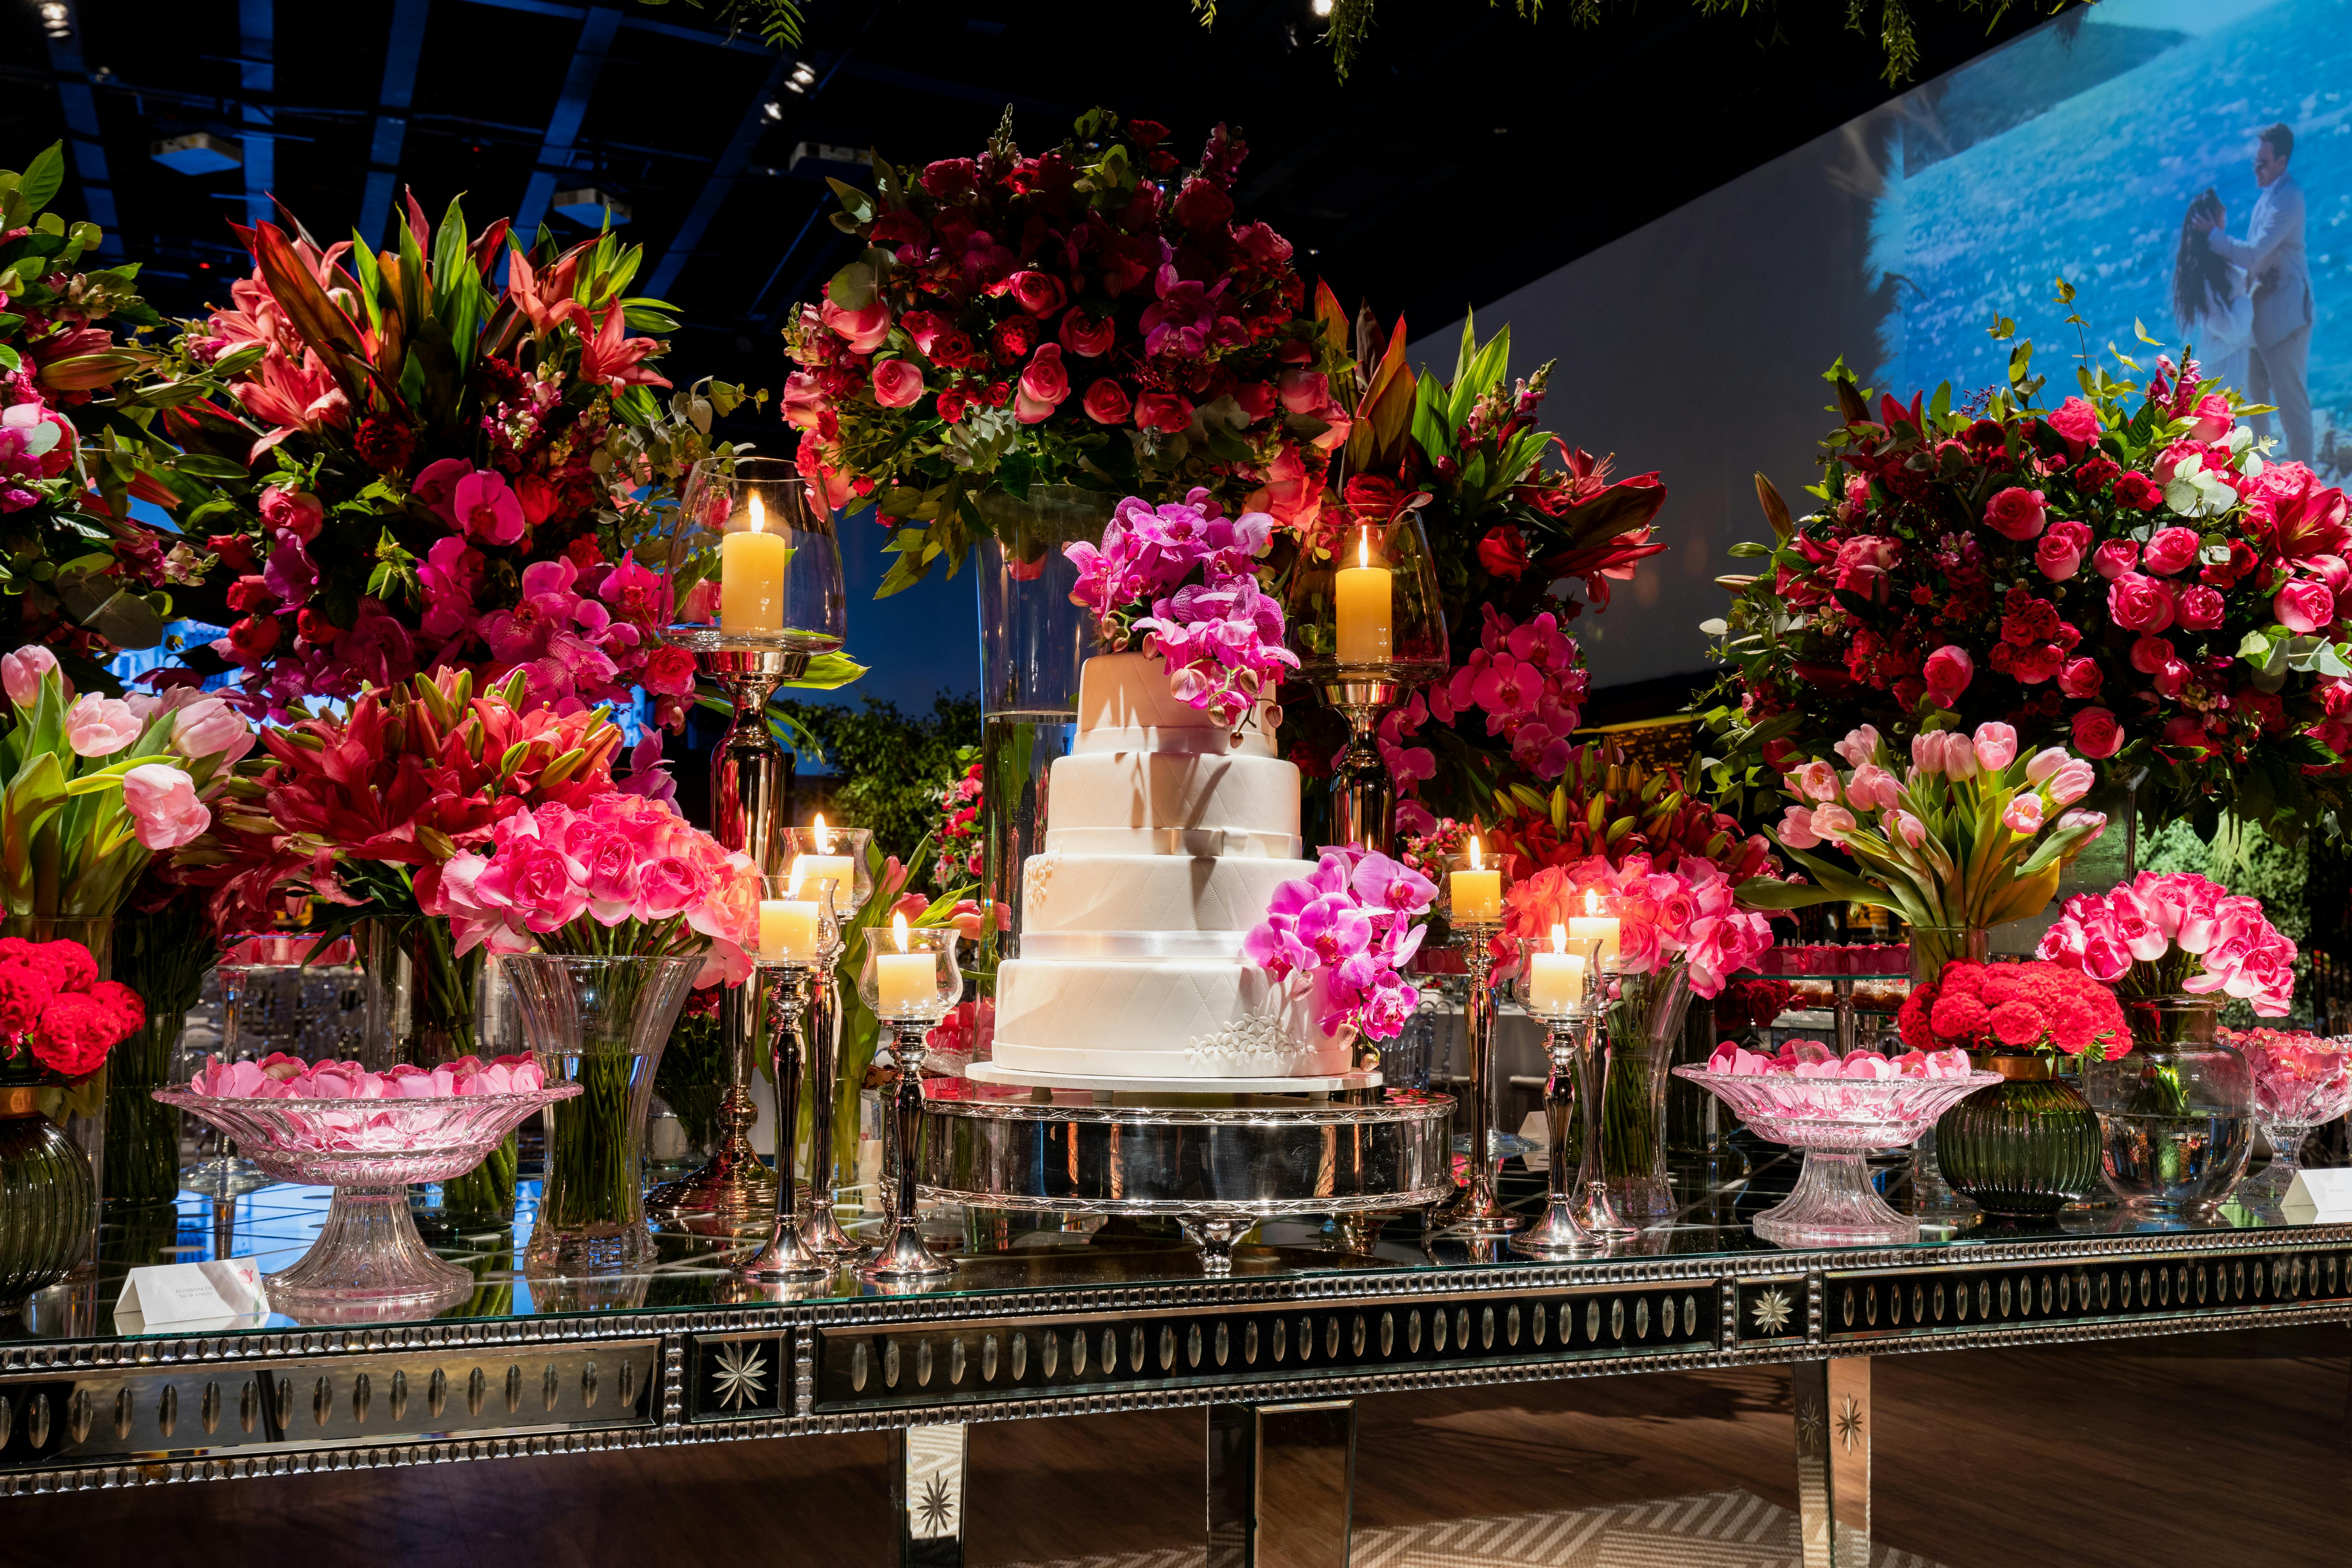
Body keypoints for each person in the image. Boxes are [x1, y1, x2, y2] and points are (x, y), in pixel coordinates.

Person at [2192, 122, 2313, 460]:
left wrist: (2213, 235)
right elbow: (2253, 264)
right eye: (2254, 163)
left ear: (2282, 162)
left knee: (2292, 410)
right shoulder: (2269, 196)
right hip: (2260, 324)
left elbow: (2253, 254)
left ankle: (2311, 491)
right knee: (2255, 414)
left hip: (2286, 321)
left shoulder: (2288, 198)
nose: (2256, 169)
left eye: (2263, 163)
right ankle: (2264, 485)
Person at [2172, 187, 2254, 395]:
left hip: (2229, 359)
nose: (2225, 208)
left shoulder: (2215, 257)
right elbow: (2224, 325)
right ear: (2208, 217)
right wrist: (2248, 301)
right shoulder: (2204, 268)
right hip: (2222, 363)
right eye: (2219, 207)